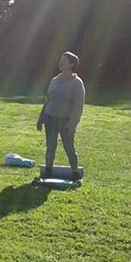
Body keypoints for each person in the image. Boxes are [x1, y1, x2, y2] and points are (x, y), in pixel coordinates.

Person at [36, 52, 85, 181]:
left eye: (64, 60)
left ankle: (75, 173)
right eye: (60, 60)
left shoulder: (77, 83)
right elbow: (48, 100)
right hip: (50, 118)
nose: (61, 62)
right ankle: (48, 170)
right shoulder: (55, 80)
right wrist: (41, 118)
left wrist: (72, 124)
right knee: (50, 146)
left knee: (69, 147)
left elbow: (78, 106)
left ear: (72, 64)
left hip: (66, 121)